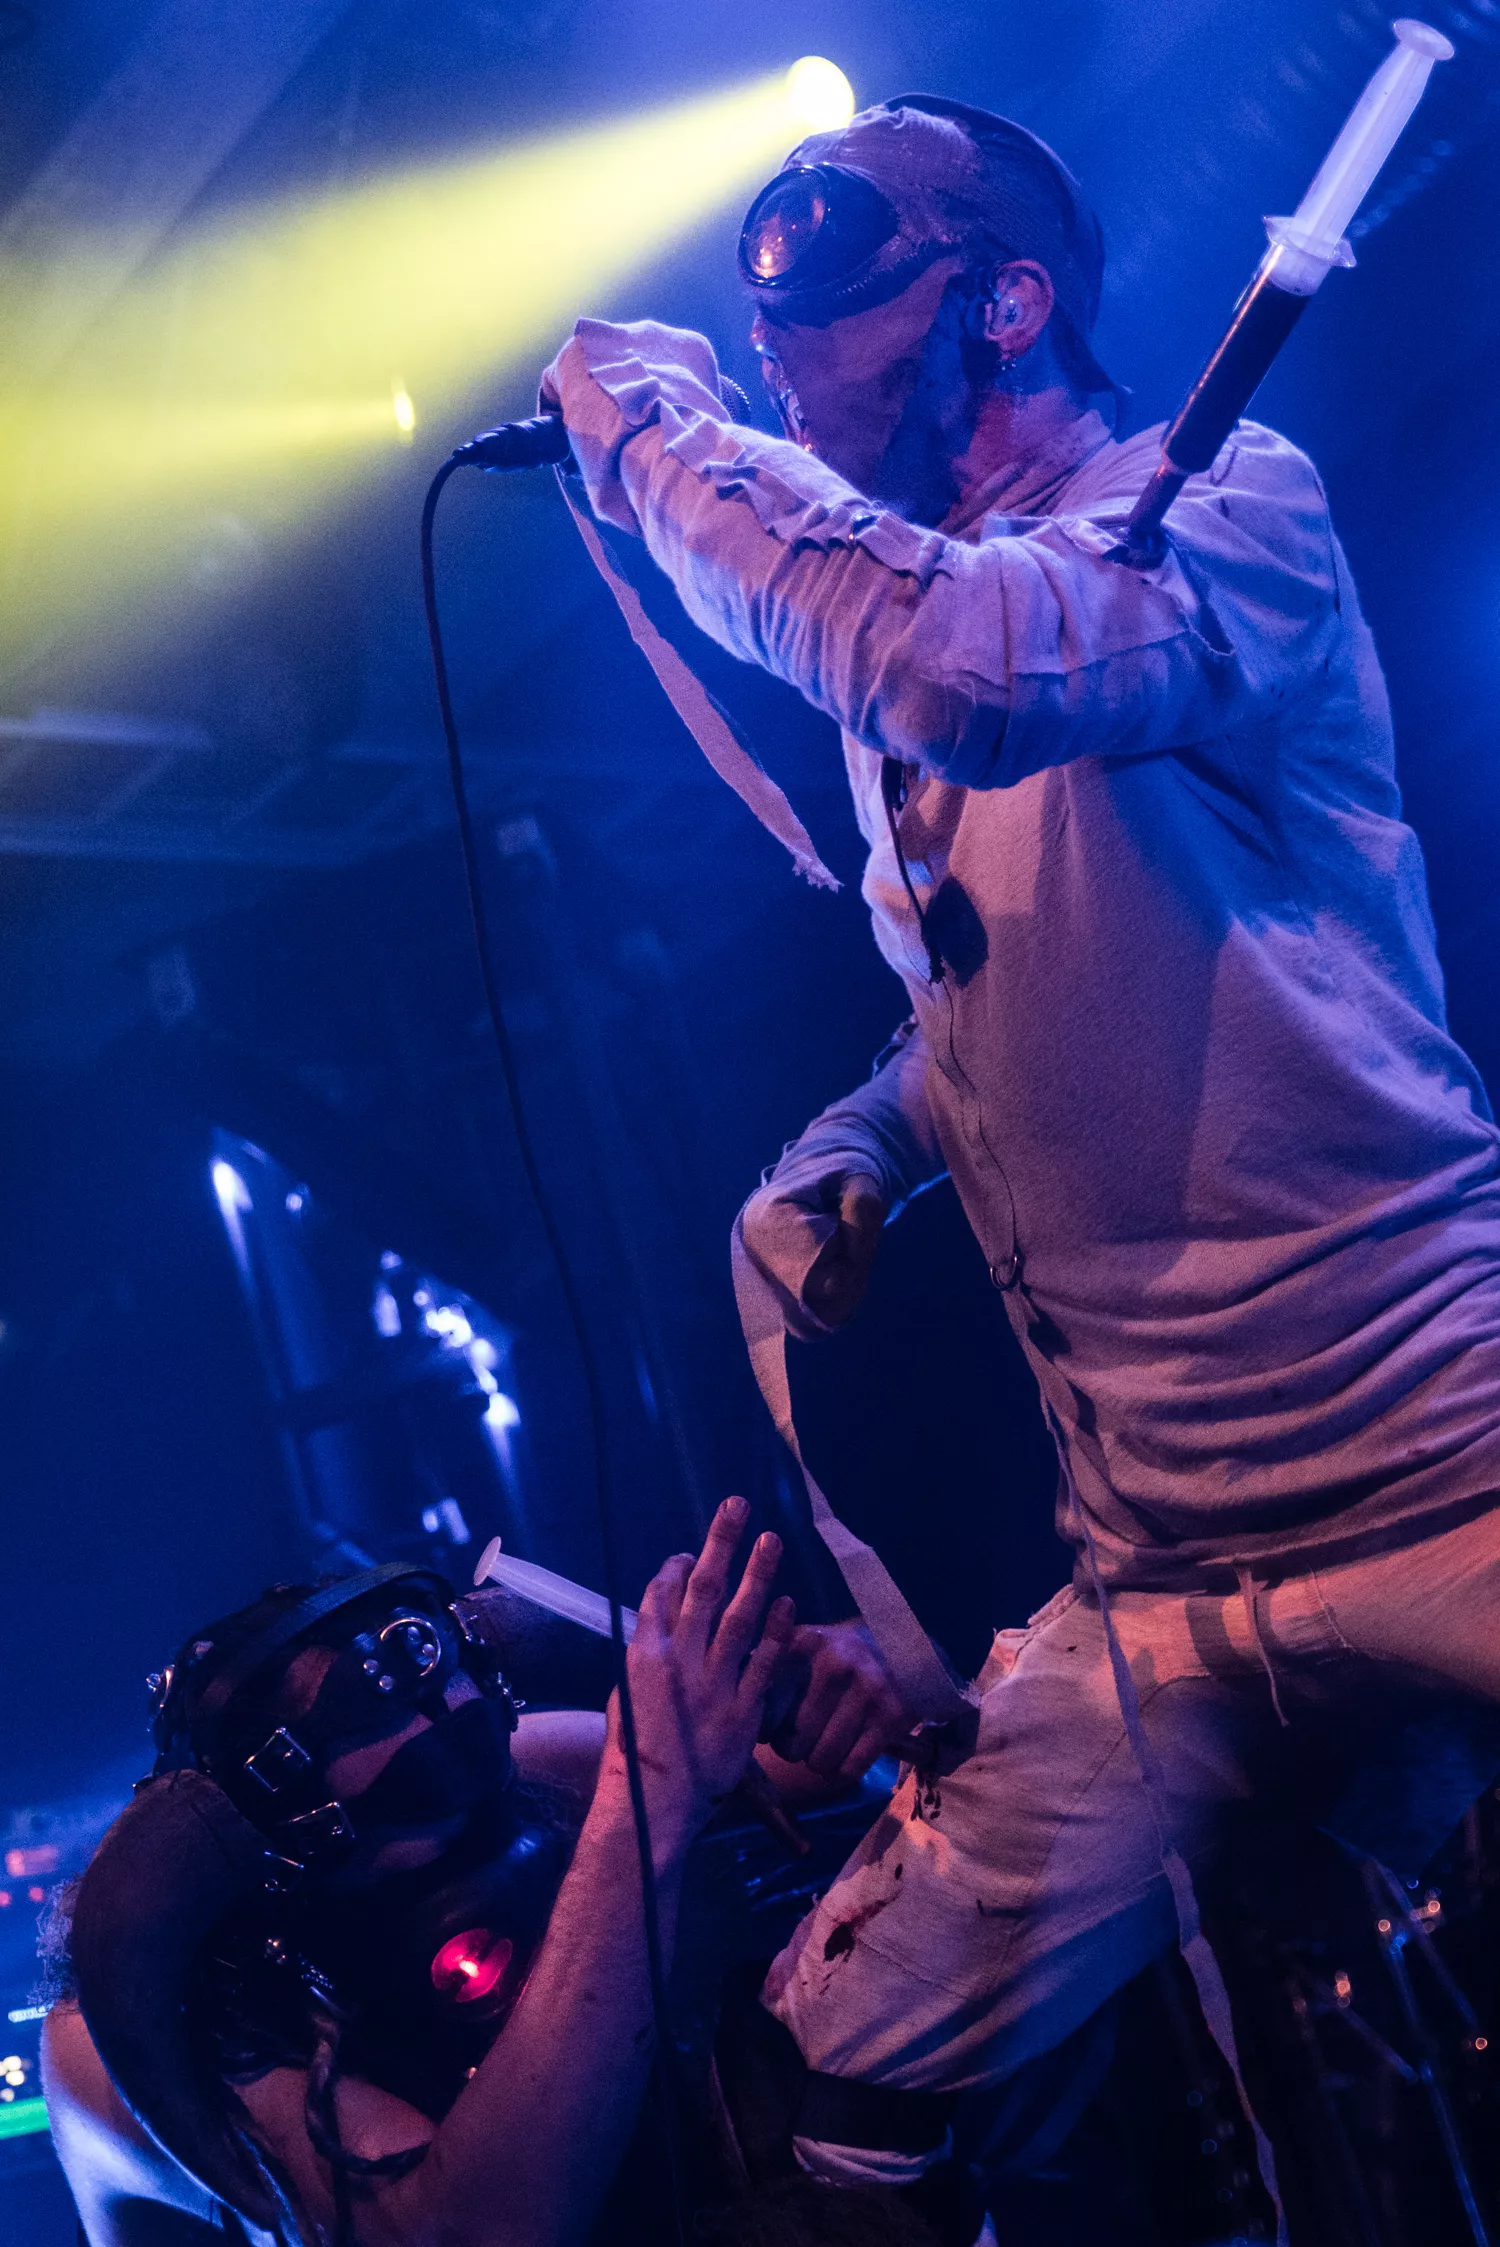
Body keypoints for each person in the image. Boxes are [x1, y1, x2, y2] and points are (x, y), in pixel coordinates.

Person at [537, 94, 1500, 2227]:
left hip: (1448, 1462)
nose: (774, 342)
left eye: (832, 275)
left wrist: (655, 436)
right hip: (1159, 1577)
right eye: (760, 307)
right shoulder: (926, 640)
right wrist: (868, 1138)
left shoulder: (1226, 513)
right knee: (828, 2066)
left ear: (1007, 300)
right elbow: (1020, 974)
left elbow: (967, 667)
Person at [42, 1501, 917, 2247]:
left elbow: (832, 1748)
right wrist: (646, 1803)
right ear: (284, 1842)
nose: (483, 1860)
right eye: (419, 1834)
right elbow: (470, 2233)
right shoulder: (165, 2023)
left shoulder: (519, 1775)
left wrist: (852, 1665)